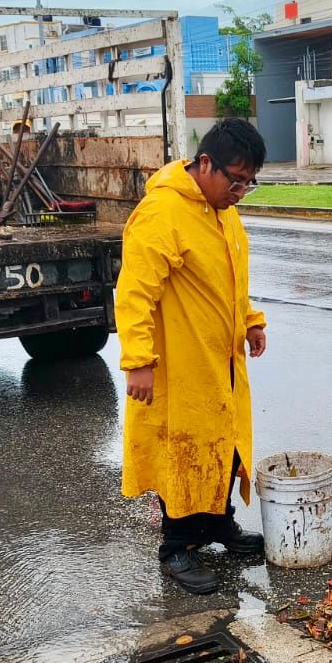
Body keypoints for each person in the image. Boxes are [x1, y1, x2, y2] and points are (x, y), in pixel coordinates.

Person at [117, 119, 269, 595]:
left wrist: (251, 320)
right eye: (235, 180)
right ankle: (177, 546)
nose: (240, 192)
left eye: (249, 183)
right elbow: (135, 292)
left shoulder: (222, 212)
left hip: (221, 360)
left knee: (223, 445)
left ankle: (219, 523)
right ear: (205, 164)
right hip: (180, 363)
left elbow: (232, 277)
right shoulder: (163, 212)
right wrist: (138, 361)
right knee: (182, 450)